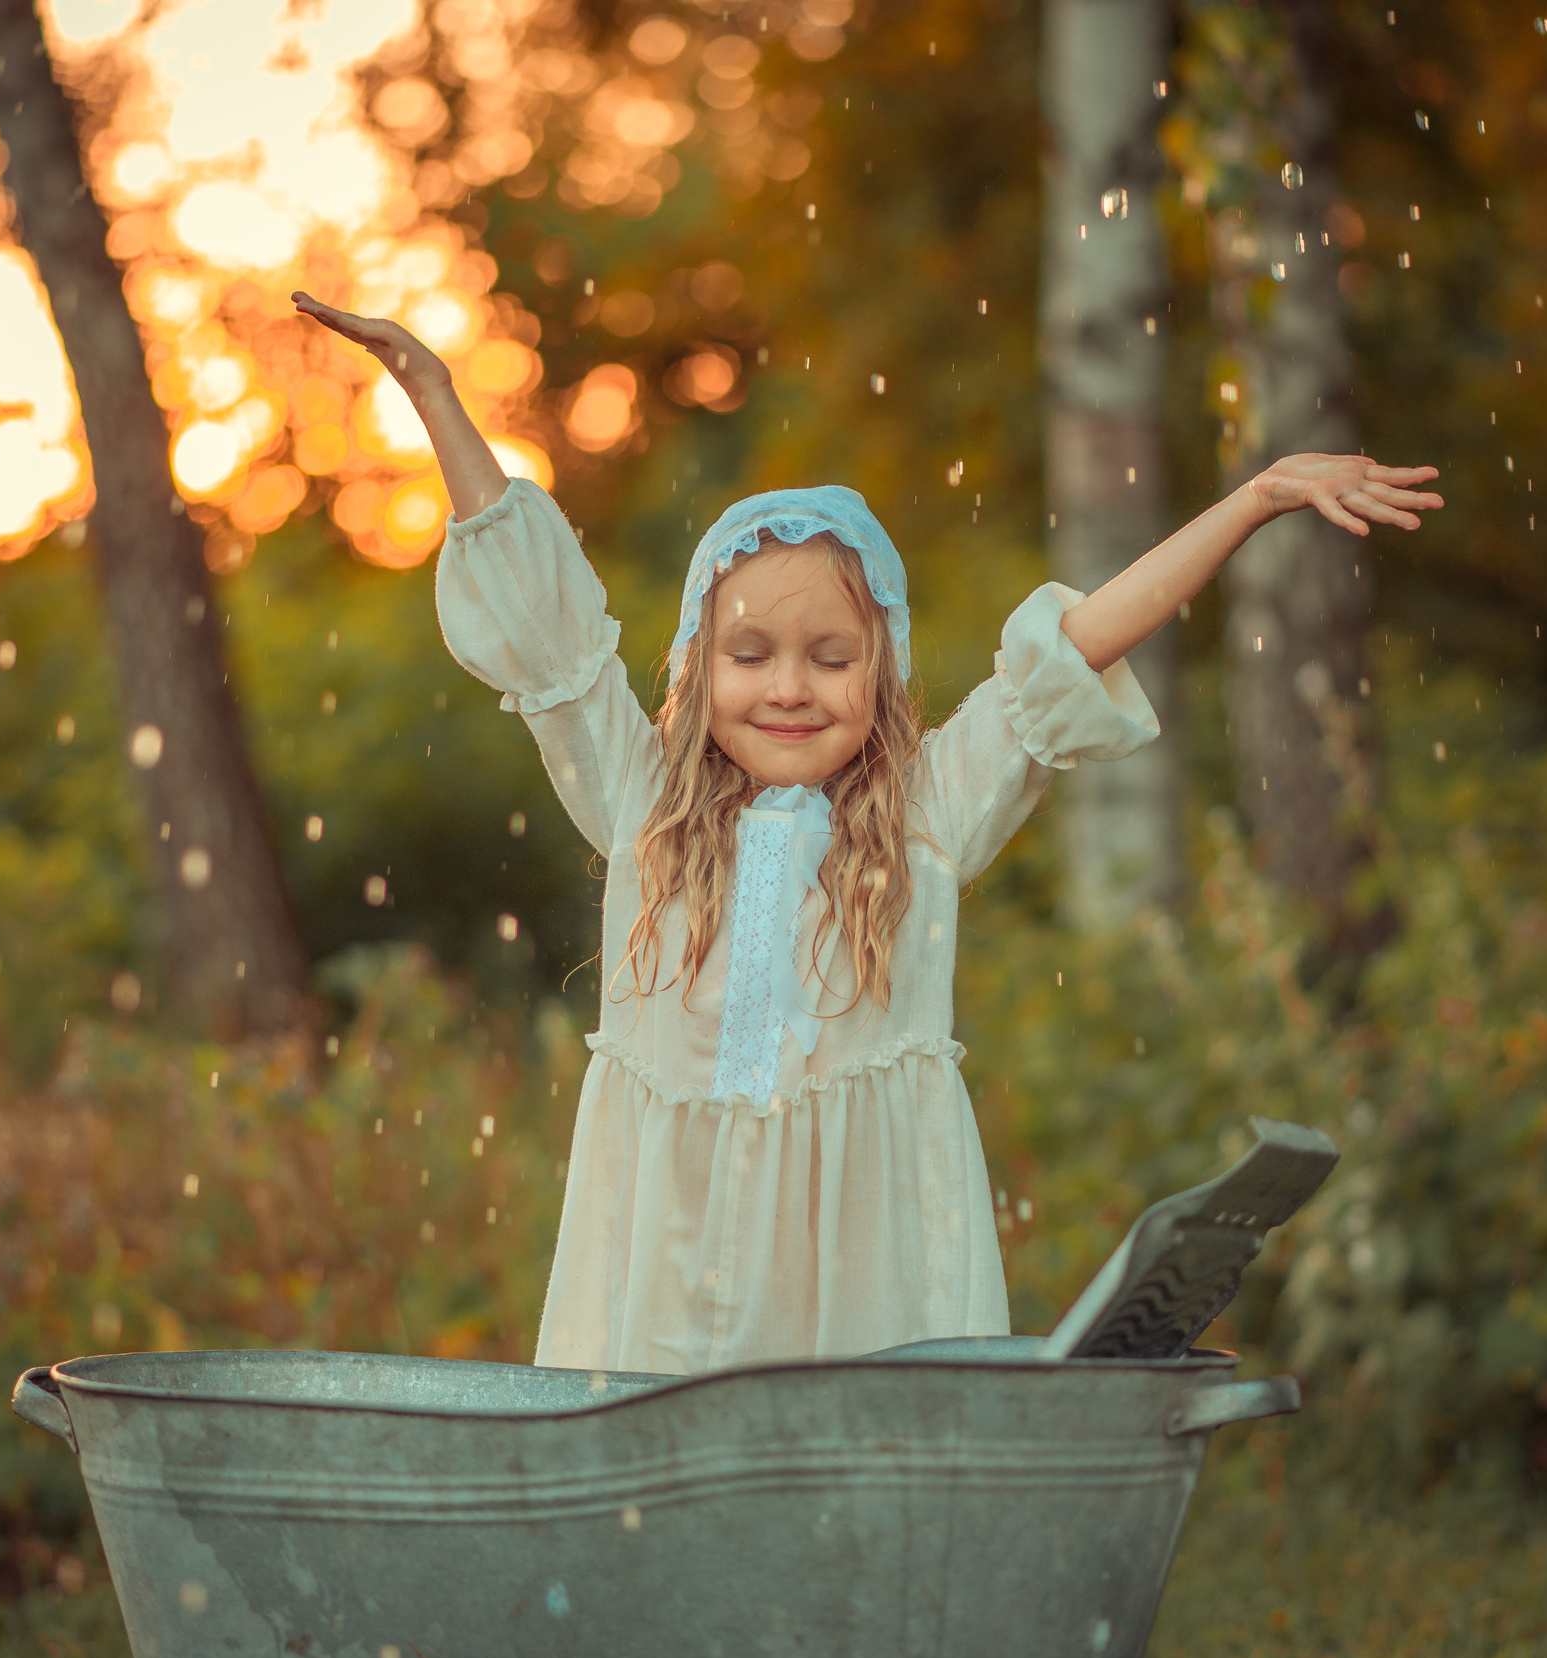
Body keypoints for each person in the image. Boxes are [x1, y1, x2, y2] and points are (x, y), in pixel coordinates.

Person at [295, 291, 1441, 1376]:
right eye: (751, 655)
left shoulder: (928, 812)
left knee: (838, 1501)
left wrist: (1252, 501)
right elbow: (544, 625)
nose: (789, 687)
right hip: (665, 1257)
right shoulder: (645, 802)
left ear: (880, 671)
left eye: (831, 657)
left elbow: (1082, 640)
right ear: (697, 673)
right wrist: (436, 395)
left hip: (860, 1273)